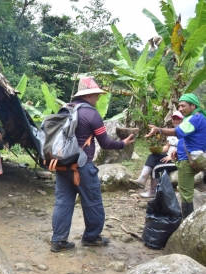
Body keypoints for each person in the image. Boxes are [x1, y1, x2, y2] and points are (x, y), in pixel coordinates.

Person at [50, 77, 135, 253]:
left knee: (63, 202)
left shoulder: (65, 109)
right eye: (97, 95)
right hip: (82, 166)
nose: (98, 99)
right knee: (93, 202)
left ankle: (58, 240)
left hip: (62, 164)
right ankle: (91, 237)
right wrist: (123, 144)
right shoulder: (91, 114)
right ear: (89, 95)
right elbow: (105, 143)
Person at [145, 93, 206, 219]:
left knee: (186, 194)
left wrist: (158, 130)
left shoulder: (194, 118)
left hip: (187, 162)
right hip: (197, 158)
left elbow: (177, 132)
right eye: (179, 106)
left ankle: (187, 222)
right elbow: (191, 137)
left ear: (193, 105)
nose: (180, 109)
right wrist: (178, 150)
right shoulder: (200, 117)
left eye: (183, 106)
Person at [132, 111, 183, 198]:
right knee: (152, 156)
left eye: (178, 119)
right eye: (174, 118)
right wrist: (158, 150)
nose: (175, 120)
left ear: (182, 119)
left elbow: (186, 147)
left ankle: (153, 191)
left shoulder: (185, 131)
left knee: (156, 168)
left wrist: (171, 156)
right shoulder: (170, 132)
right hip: (168, 155)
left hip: (179, 159)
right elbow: (167, 147)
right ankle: (142, 179)